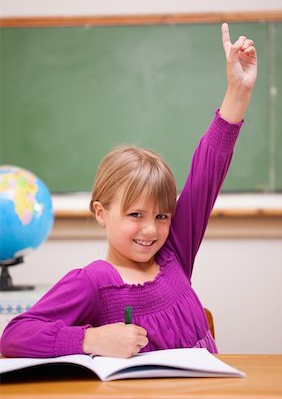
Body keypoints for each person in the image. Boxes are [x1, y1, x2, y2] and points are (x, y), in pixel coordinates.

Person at [0, 23, 257, 359]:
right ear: (101, 212)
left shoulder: (174, 253)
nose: (151, 229)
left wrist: (238, 91)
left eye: (162, 215)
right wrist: (89, 341)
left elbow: (209, 167)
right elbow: (14, 337)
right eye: (135, 214)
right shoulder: (92, 283)